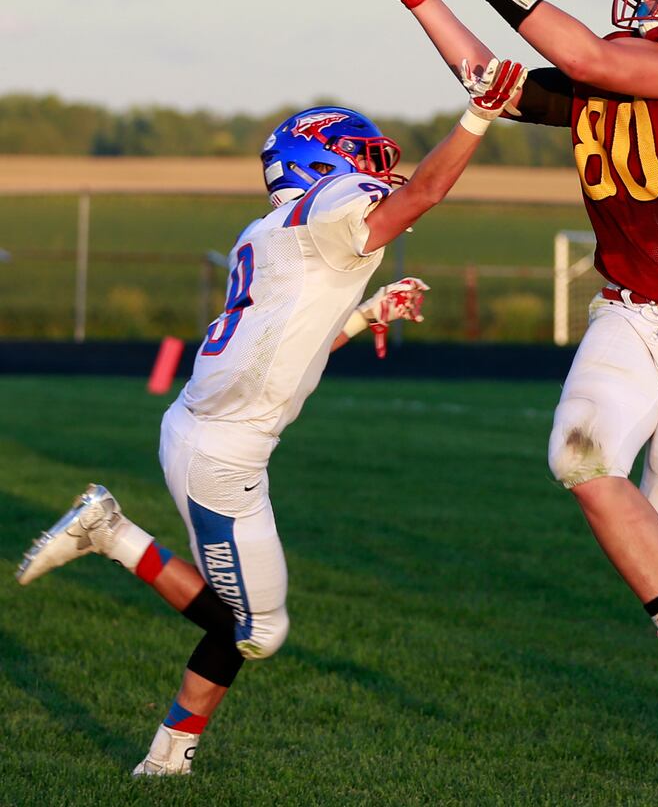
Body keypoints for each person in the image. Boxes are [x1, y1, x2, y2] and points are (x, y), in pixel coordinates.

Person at [15, 63, 527, 776]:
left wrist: (366, 311)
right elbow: (425, 193)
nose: (375, 172)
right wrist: (479, 115)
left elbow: (289, 341)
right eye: (360, 158)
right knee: (257, 630)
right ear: (320, 163)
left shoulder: (274, 230)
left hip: (212, 433)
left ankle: (168, 752)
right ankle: (115, 542)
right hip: (220, 452)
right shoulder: (328, 208)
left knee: (248, 622)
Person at [354, 0, 658, 725]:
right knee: (579, 457)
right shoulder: (621, 64)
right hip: (625, 310)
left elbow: (578, 52)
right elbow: (496, 86)